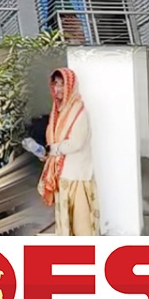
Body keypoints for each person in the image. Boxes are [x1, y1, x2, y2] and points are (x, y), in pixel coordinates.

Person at [38, 68, 99, 236]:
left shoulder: (79, 112)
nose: (58, 89)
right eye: (55, 84)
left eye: (62, 84)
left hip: (77, 176)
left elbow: (76, 143)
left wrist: (52, 150)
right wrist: (48, 153)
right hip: (62, 175)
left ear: (71, 86)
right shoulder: (57, 112)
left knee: (81, 226)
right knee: (66, 227)